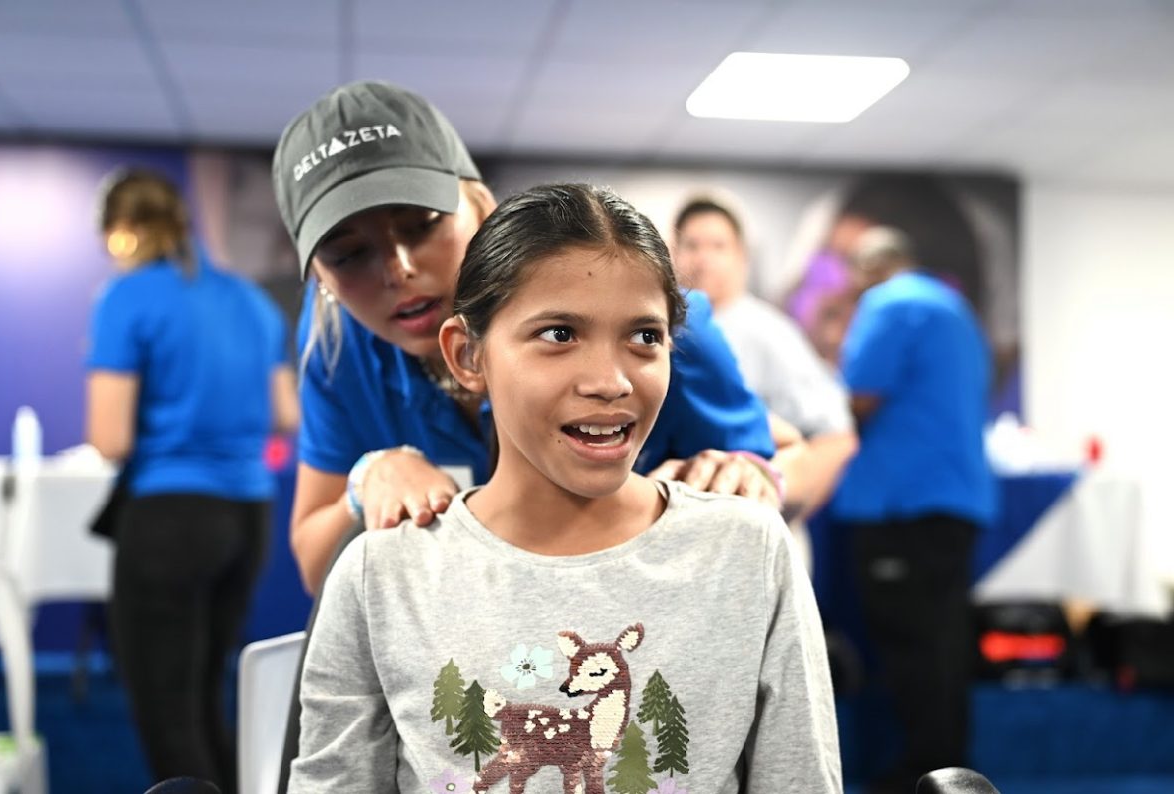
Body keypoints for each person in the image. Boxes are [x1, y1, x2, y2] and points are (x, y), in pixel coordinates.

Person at [287, 183, 841, 793]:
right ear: (468, 354)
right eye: (558, 334)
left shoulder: (749, 552)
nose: (610, 381)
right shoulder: (381, 575)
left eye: (644, 337)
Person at [271, 80, 782, 598]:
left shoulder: (662, 325)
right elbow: (318, 572)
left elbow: (781, 465)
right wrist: (366, 482)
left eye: (423, 224)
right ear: (319, 274)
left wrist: (743, 473)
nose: (398, 269)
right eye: (348, 254)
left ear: (480, 204)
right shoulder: (336, 343)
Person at [84, 168, 299, 793]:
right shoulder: (251, 300)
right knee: (207, 690)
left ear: (121, 234)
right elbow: (285, 415)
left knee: (165, 705)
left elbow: (111, 437)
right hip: (247, 517)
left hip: (168, 519)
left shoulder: (126, 298)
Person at [833, 226, 994, 794]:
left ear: (867, 271)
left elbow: (854, 399)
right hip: (957, 502)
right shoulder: (954, 308)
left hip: (903, 505)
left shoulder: (890, 303)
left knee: (910, 647)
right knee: (944, 644)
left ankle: (918, 774)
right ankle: (953, 774)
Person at [672, 196, 858, 523]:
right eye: (692, 245)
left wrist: (780, 510)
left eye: (718, 246)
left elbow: (837, 440)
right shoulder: (664, 331)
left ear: (742, 257)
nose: (703, 259)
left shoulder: (768, 332)